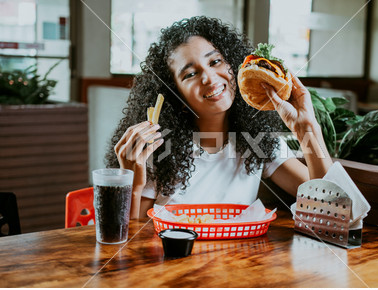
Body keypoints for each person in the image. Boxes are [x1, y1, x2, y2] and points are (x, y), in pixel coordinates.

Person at [105, 16, 332, 219]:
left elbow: (331, 207)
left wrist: (307, 129)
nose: (210, 77)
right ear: (176, 95)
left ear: (234, 66)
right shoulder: (157, 150)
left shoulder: (259, 143)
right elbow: (129, 241)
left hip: (238, 263)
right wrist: (131, 179)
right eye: (191, 74)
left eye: (215, 62)